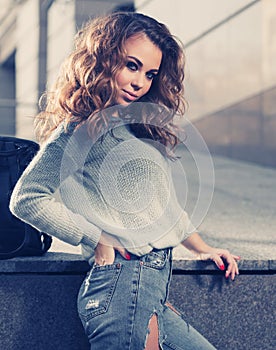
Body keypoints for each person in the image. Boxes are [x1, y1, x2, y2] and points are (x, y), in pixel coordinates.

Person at [10, 12, 240, 350]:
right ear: (102, 61)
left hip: (149, 288)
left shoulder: (135, 128)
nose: (140, 83)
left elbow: (163, 206)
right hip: (122, 283)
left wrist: (202, 247)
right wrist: (95, 236)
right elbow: (27, 197)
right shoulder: (80, 128)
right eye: (131, 66)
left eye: (150, 74)